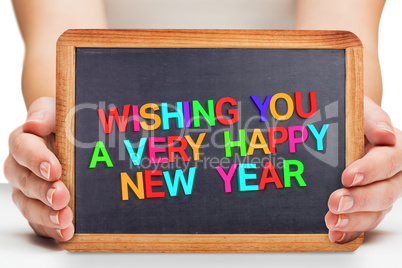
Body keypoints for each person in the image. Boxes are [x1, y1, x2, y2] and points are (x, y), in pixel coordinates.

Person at [4, 0, 401, 244]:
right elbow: (65, 54)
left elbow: (338, 49)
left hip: (297, 197)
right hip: (119, 189)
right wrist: (54, 148)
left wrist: (358, 136)